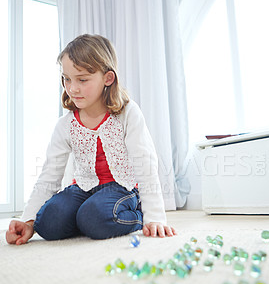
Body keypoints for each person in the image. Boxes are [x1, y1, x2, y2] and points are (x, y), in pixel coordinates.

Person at [6, 34, 176, 246]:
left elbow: (145, 163)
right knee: (47, 223)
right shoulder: (65, 125)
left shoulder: (127, 113)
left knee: (95, 217)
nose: (72, 88)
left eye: (82, 79)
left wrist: (155, 217)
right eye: (66, 79)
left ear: (108, 78)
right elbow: (49, 174)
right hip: (82, 188)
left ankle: (133, 214)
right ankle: (85, 219)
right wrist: (28, 220)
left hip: (120, 188)